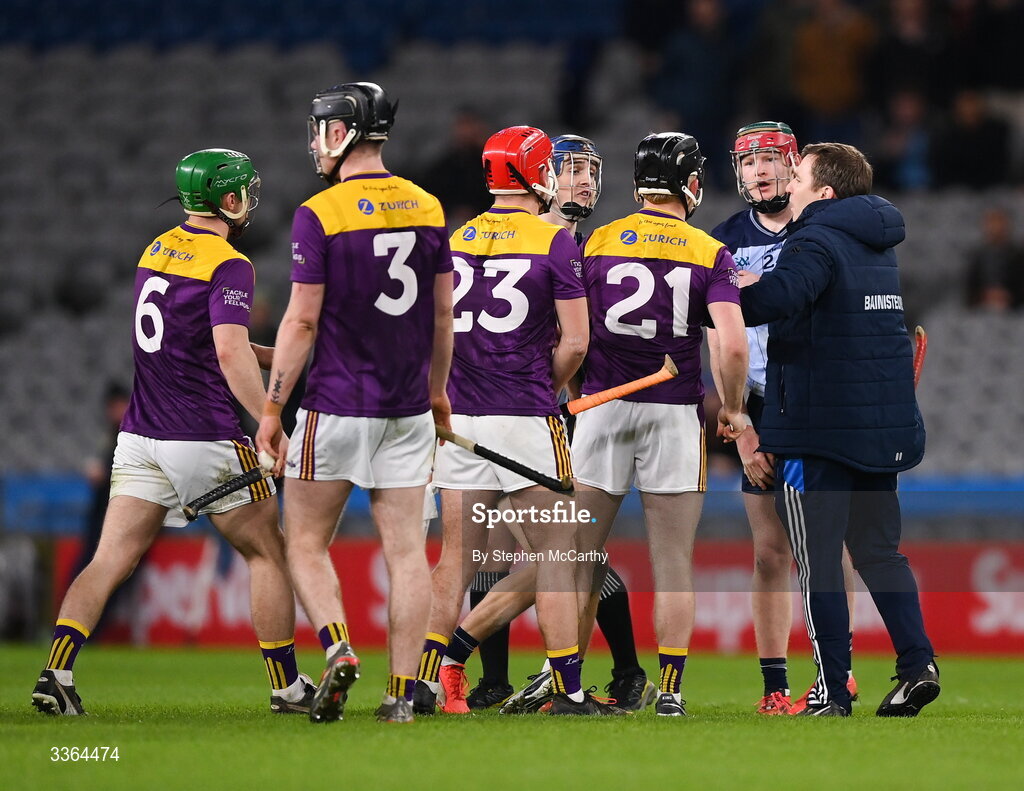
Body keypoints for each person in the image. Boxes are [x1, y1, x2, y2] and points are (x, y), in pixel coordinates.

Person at [32, 149, 314, 717]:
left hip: (140, 434)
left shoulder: (156, 249)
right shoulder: (230, 263)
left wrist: (275, 356)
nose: (249, 202)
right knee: (267, 554)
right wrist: (269, 419)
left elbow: (194, 341)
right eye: (244, 192)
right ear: (227, 200)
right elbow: (227, 350)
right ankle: (286, 687)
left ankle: (55, 672)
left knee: (108, 558)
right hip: (203, 435)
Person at [255, 82, 455, 725]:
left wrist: (270, 409)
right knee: (406, 553)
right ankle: (400, 696)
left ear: (342, 133)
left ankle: (338, 647)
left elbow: (302, 322)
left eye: (321, 129)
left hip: (337, 405)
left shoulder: (321, 212)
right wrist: (437, 392)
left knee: (305, 543)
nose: (315, 141)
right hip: (408, 409)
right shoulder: (428, 206)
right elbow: (443, 316)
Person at [443, 135, 656, 713]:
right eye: (572, 170)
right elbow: (574, 341)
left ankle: (437, 673)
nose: (586, 180)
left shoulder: (472, 236)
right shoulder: (558, 243)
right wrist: (551, 388)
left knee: (533, 553)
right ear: (541, 176)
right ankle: (551, 680)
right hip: (534, 413)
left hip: (491, 410)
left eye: (592, 169)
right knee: (557, 553)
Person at [739, 142, 939, 717]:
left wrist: (721, 288)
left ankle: (832, 689)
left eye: (798, 174)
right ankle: (916, 664)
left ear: (824, 192)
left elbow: (779, 298)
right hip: (877, 429)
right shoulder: (877, 243)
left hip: (817, 431)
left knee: (819, 562)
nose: (787, 180)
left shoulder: (815, 237)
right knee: (880, 552)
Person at [572, 132, 749, 717]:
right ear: (689, 182)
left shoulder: (597, 239)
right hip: (673, 413)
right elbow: (732, 344)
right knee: (672, 561)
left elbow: (567, 330)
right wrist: (732, 406)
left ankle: (567, 686)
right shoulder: (708, 250)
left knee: (580, 558)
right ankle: (670, 690)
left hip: (600, 408)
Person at [709, 122, 859, 715]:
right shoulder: (721, 242)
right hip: (760, 402)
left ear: (794, 166)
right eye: (748, 163)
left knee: (828, 547)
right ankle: (774, 684)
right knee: (770, 550)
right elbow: (719, 343)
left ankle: (837, 672)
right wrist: (742, 425)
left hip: (817, 398)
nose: (759, 170)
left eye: (771, 159)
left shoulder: (823, 229)